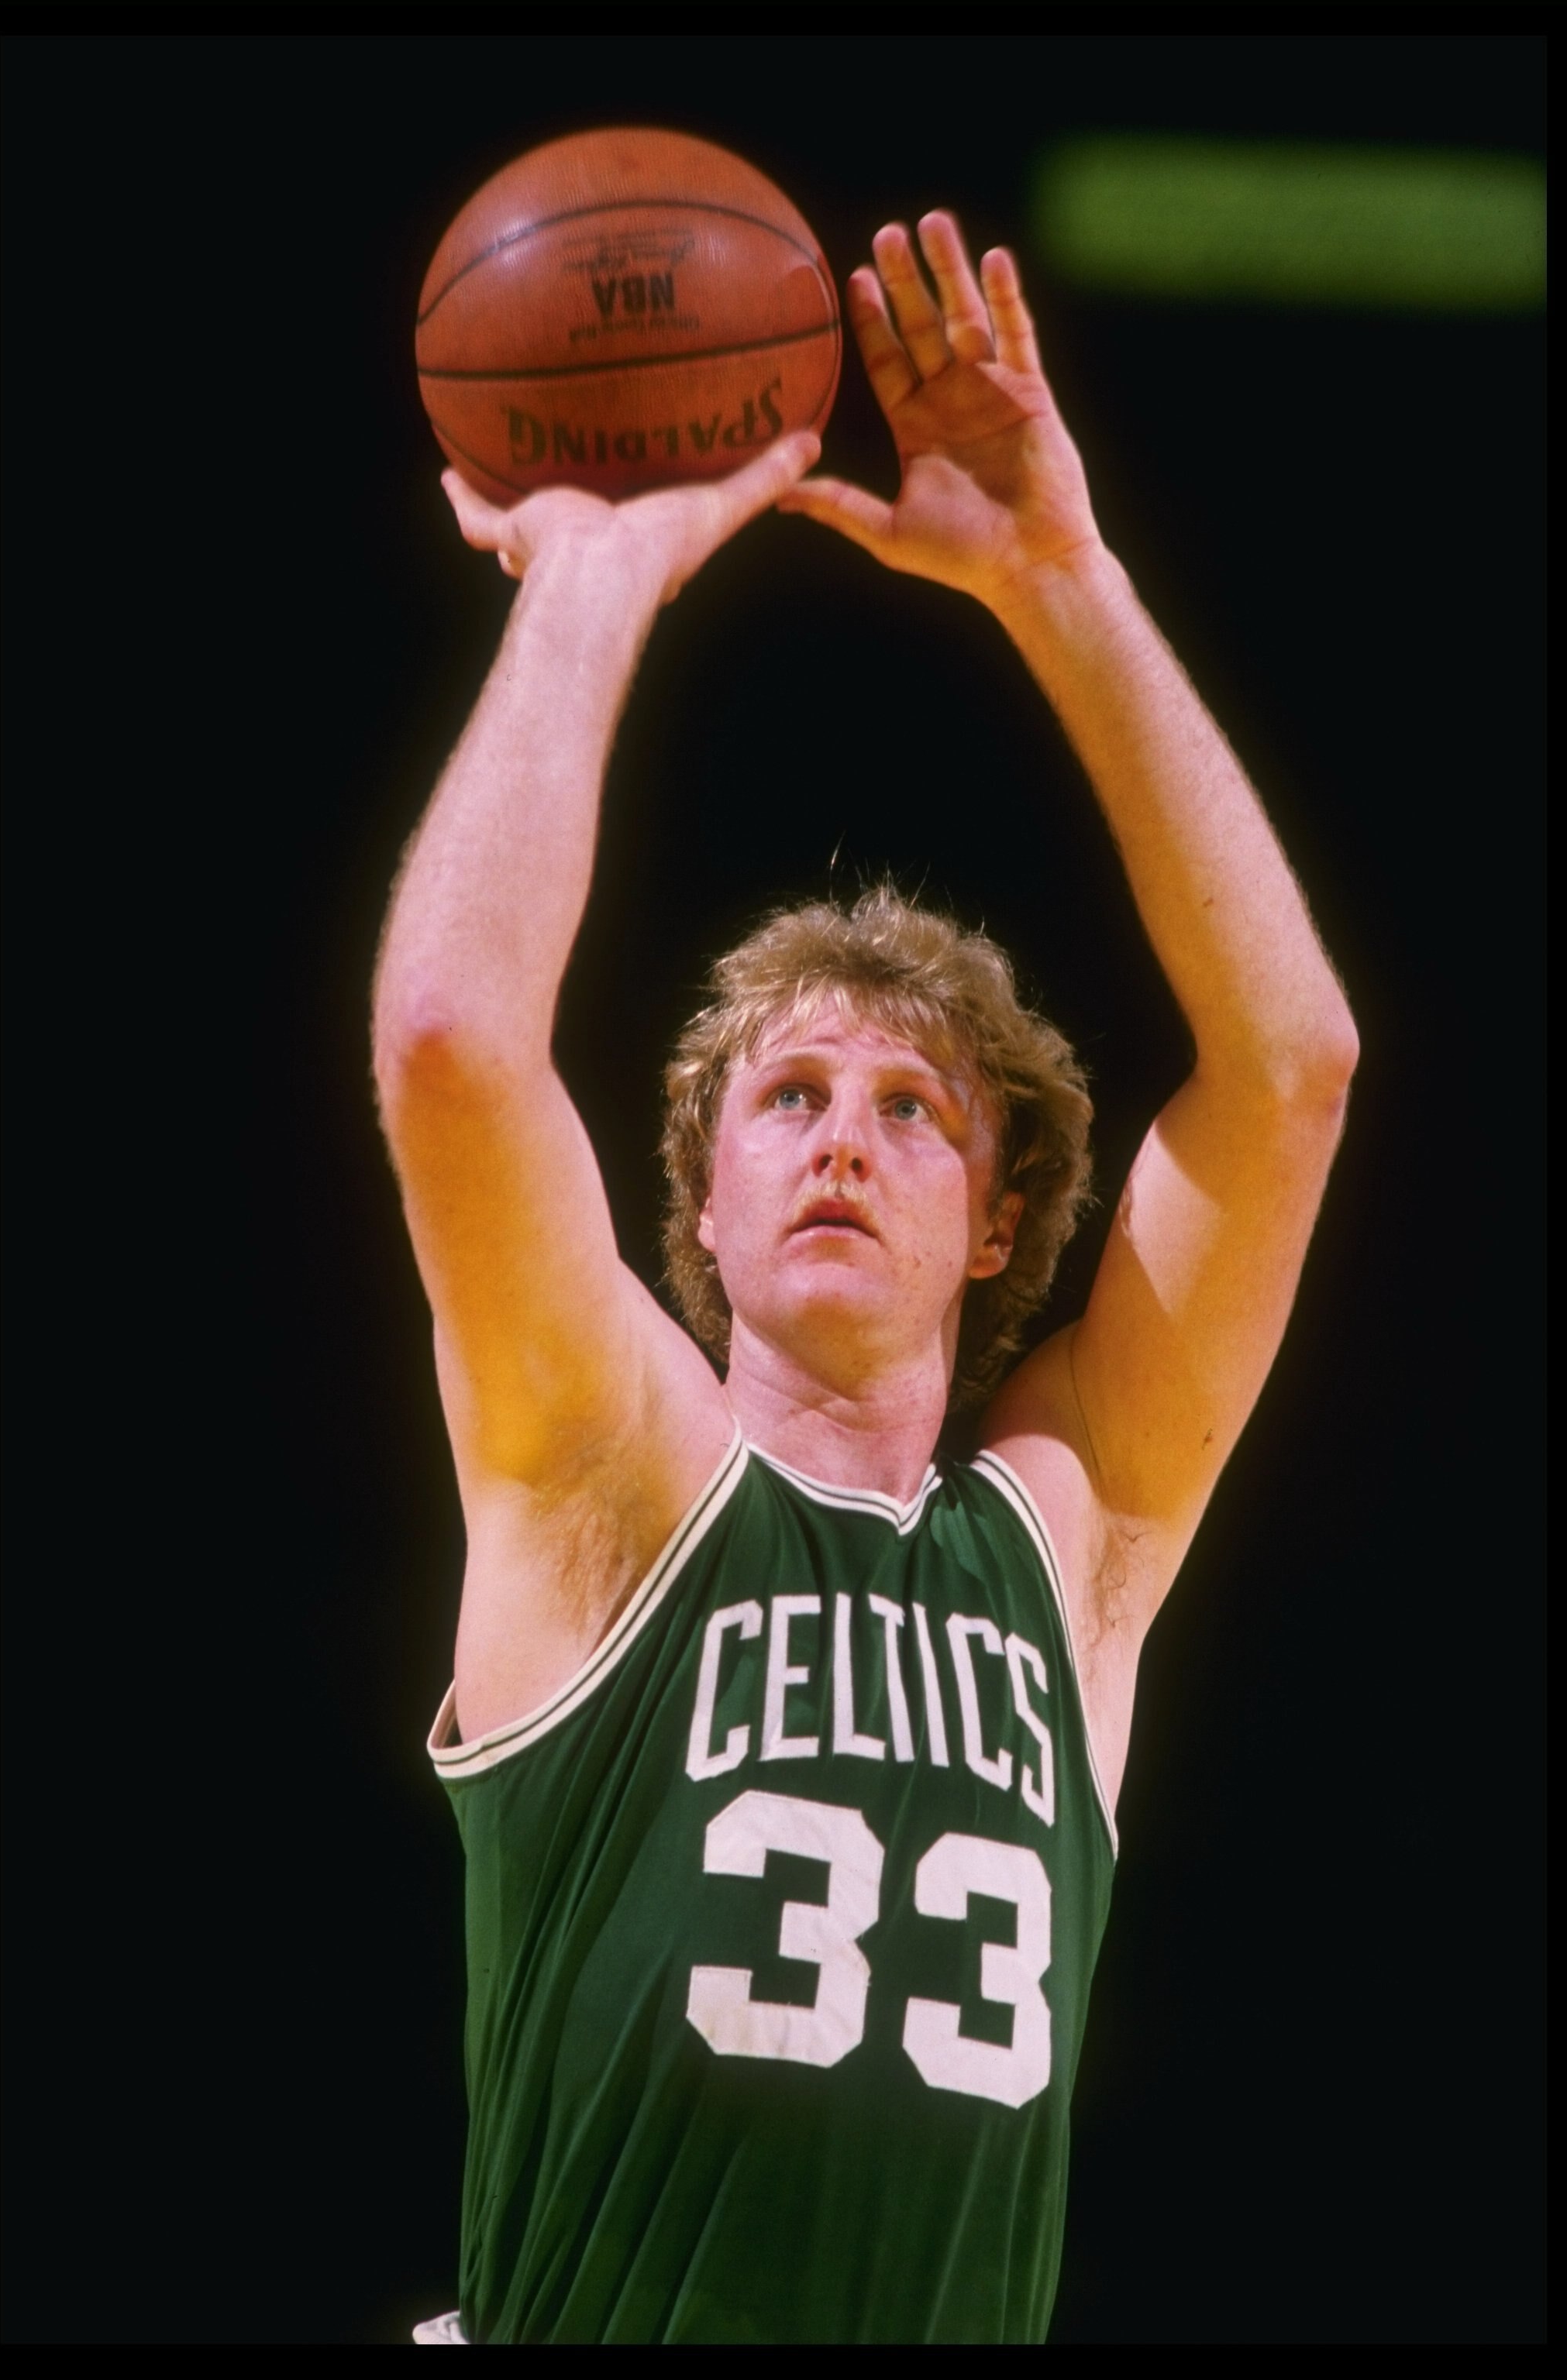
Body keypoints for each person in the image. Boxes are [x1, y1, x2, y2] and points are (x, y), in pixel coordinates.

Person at [374, 210, 1358, 2347]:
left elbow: (1293, 1073)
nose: (843, 1134)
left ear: (998, 1225)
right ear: (700, 1201)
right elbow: (451, 1041)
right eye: (788, 1095)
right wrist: (589, 577)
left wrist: (1064, 582)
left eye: (914, 1108)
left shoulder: (1072, 1552)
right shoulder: (614, 1483)